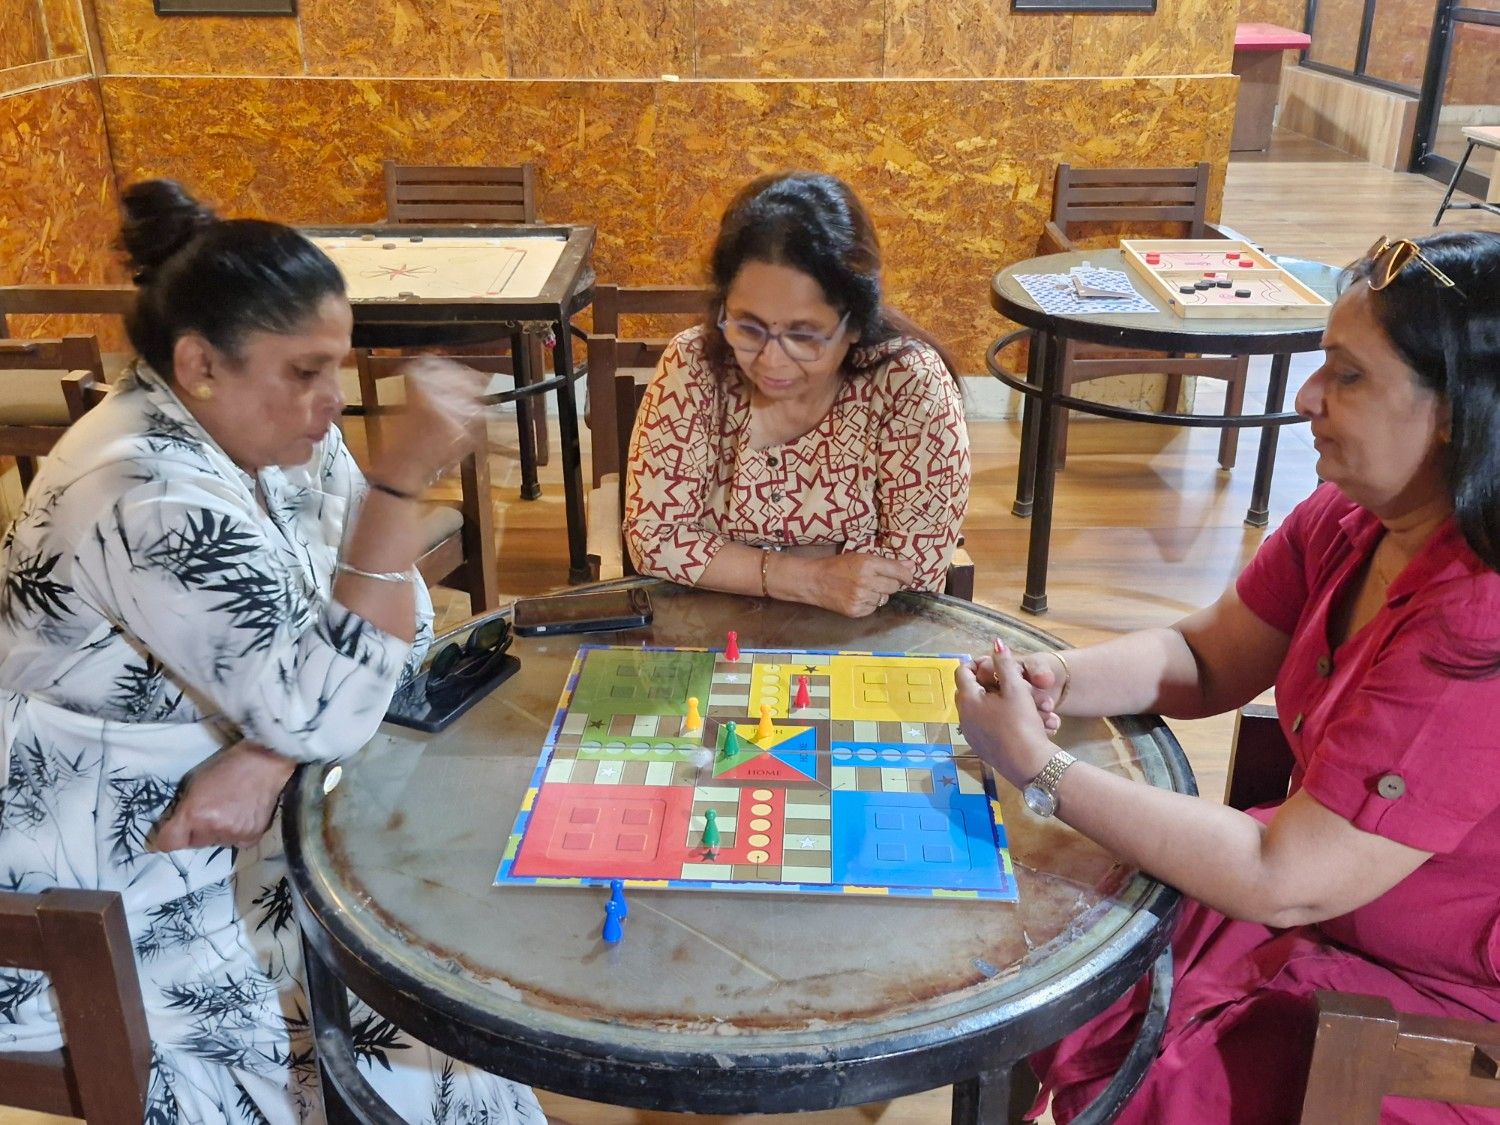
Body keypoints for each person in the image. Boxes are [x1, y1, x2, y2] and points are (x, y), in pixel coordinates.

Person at [0, 181, 543, 1124]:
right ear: (200, 363)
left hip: (228, 814)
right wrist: (398, 484)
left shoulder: (277, 436)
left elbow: (396, 625)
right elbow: (333, 694)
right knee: (396, 1014)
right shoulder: (143, 487)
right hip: (100, 885)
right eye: (305, 371)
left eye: (337, 365)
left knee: (436, 964)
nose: (332, 403)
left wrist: (267, 751)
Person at [954, 230, 1500, 1124]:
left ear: (1458, 412)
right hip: (1301, 909)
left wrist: (1040, 765)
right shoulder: (1358, 513)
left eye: (1348, 376)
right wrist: (1054, 675)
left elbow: (1285, 875)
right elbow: (1208, 655)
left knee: (1094, 984)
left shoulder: (1478, 615)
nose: (1308, 397)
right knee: (1049, 932)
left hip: (1426, 1017)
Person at [622, 172, 970, 618]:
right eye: (748, 326)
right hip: (708, 635)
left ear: (856, 323)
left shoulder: (909, 386)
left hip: (862, 638)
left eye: (804, 335)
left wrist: (725, 559)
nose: (771, 361)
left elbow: (910, 575)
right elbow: (653, 540)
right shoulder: (695, 366)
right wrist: (813, 577)